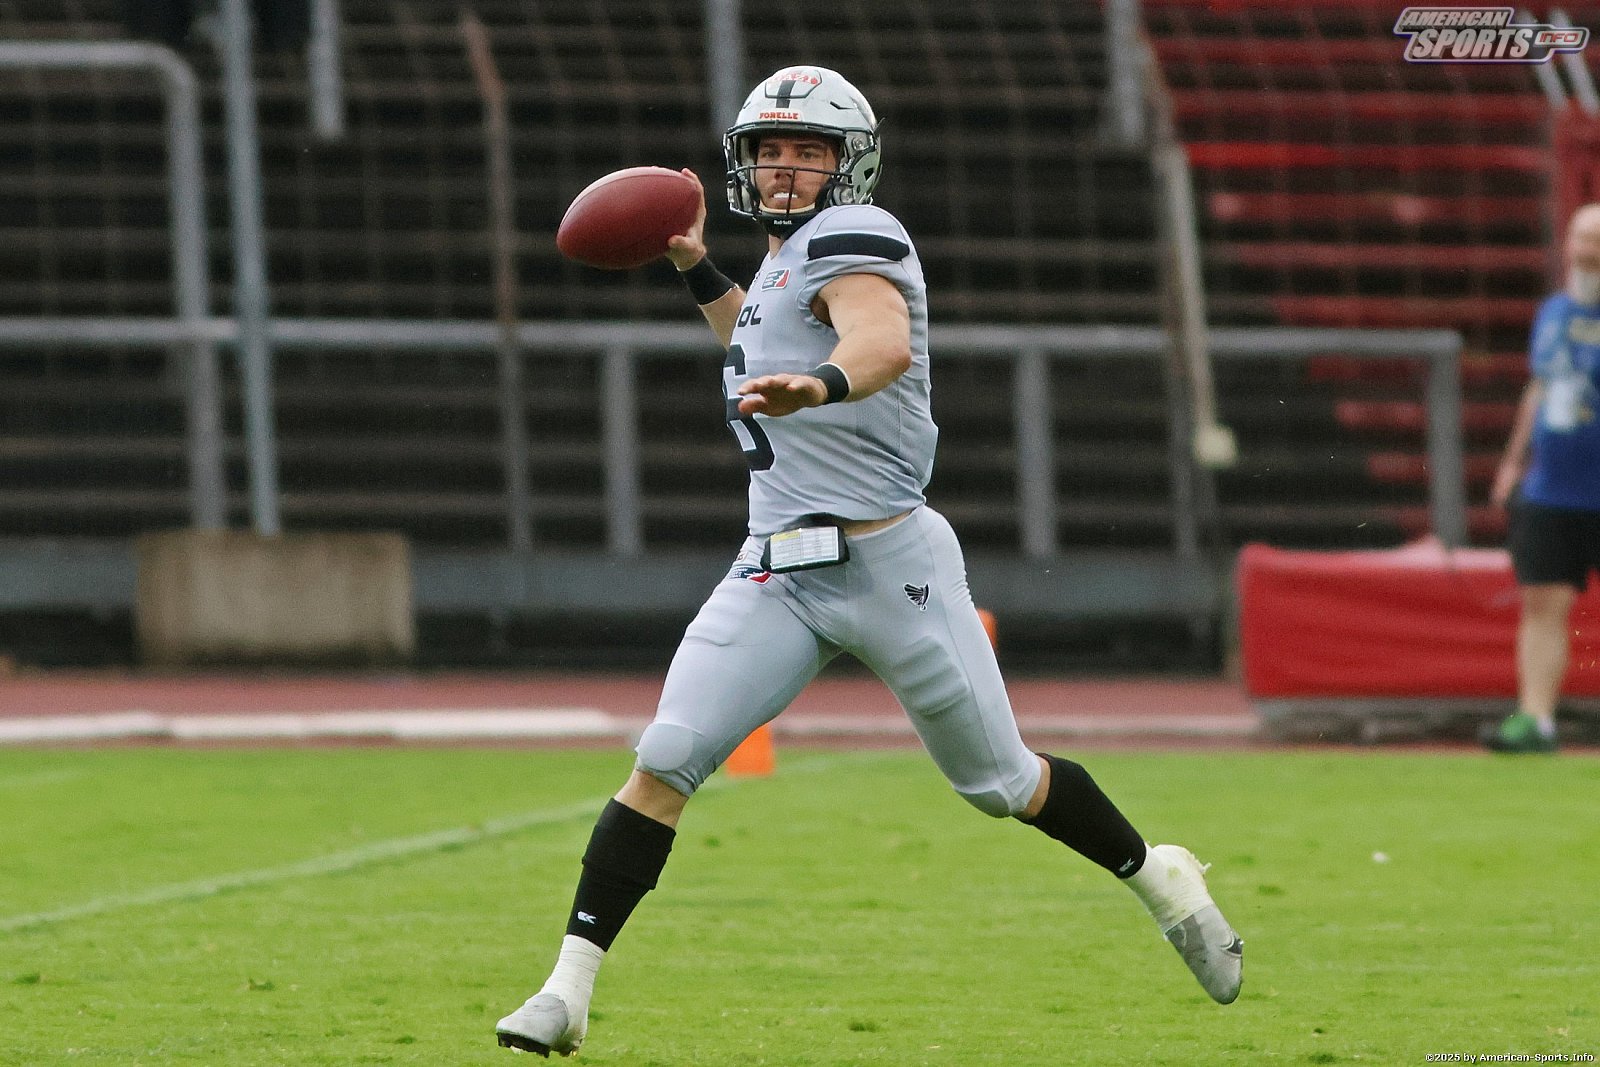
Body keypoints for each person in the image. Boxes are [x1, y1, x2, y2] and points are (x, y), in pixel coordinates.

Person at [495, 65, 1243, 1057]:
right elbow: (754, 341)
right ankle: (566, 990)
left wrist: (823, 384)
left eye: (807, 152)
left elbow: (878, 339)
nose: (785, 169)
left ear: (849, 165)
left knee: (1002, 783)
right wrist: (696, 267)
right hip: (776, 567)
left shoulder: (858, 233)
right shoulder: (778, 263)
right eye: (769, 150)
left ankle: (1158, 874)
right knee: (664, 757)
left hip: (890, 561)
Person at [1485, 202, 1600, 754]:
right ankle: (1536, 717)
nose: (1588, 250)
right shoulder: (1553, 311)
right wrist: (1514, 460)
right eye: (1582, 237)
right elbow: (1539, 387)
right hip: (1553, 487)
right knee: (1542, 603)